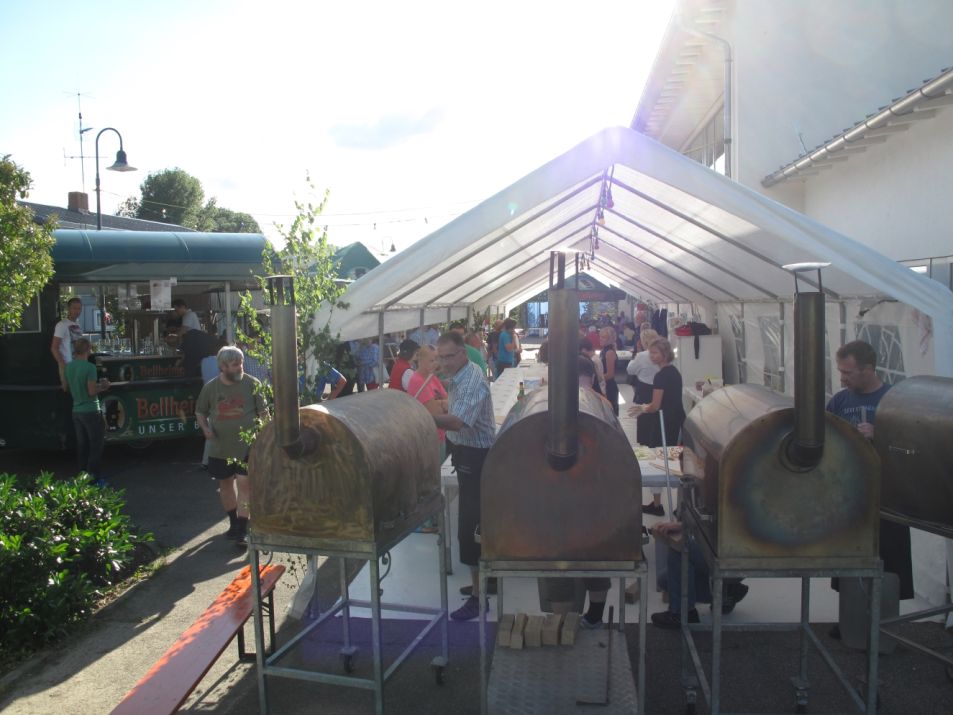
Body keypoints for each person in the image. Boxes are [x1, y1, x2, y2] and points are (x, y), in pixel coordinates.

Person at [826, 340, 913, 633]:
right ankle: (849, 620)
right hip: (852, 495)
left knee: (888, 559)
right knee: (851, 556)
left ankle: (885, 624)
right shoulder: (839, 401)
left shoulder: (895, 401)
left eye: (848, 372)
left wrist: (881, 434)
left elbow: (912, 448)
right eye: (840, 371)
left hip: (888, 497)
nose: (842, 378)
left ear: (868, 369)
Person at [432, 332, 496, 620]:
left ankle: (479, 598)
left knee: (471, 527)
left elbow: (459, 421)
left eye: (447, 357)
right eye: (439, 357)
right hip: (470, 455)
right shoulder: (462, 375)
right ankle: (484, 581)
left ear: (462, 354)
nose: (443, 362)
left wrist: (422, 416)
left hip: (478, 459)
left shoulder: (470, 378)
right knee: (477, 523)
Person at [195, 346, 268, 547]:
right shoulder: (211, 388)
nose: (240, 368)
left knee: (245, 484)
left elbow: (264, 413)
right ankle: (234, 523)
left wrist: (263, 435)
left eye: (241, 363)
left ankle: (243, 530)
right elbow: (200, 411)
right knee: (225, 484)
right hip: (220, 448)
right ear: (223, 366)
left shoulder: (253, 383)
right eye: (235, 365)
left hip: (247, 446)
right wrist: (205, 429)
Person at [650, 520, 749, 628]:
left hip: (734, 555)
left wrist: (684, 525)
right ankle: (726, 592)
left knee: (681, 545)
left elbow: (716, 518)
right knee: (665, 580)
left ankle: (682, 613)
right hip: (737, 550)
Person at [407, 345, 450, 533]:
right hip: (428, 437)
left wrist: (443, 403)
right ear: (420, 361)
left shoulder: (431, 378)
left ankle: (433, 518)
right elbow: (435, 411)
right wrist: (443, 404)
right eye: (431, 360)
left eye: (437, 359)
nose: (435, 363)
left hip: (439, 435)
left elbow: (447, 401)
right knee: (430, 480)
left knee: (436, 479)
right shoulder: (417, 381)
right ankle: (426, 522)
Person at [626, 328, 665, 515]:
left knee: (645, 445)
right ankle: (656, 498)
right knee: (656, 444)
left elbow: (630, 369)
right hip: (661, 402)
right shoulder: (666, 363)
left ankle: (651, 495)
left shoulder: (642, 356)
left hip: (646, 398)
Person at [628, 337, 685, 457]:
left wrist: (643, 408)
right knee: (670, 452)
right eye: (651, 353)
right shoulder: (674, 371)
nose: (651, 356)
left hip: (665, 420)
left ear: (664, 354)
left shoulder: (660, 376)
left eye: (655, 353)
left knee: (662, 453)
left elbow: (655, 405)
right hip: (676, 416)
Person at [64, 337, 110, 486]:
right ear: (88, 350)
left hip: (76, 410)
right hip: (90, 409)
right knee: (96, 445)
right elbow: (91, 391)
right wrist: (103, 386)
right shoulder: (89, 367)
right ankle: (94, 479)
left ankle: (82, 477)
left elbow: (66, 387)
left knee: (82, 446)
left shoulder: (69, 367)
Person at [51, 296, 84, 391]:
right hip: (68, 365)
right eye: (74, 308)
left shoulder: (78, 324)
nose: (77, 311)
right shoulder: (62, 325)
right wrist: (62, 364)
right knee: (69, 394)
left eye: (79, 308)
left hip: (78, 366)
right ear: (69, 309)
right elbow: (54, 347)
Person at [599, 326, 620, 416]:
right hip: (605, 385)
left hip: (609, 387)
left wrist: (598, 379)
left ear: (610, 339)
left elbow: (610, 374)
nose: (600, 339)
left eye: (603, 337)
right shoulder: (604, 350)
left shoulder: (609, 352)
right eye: (600, 336)